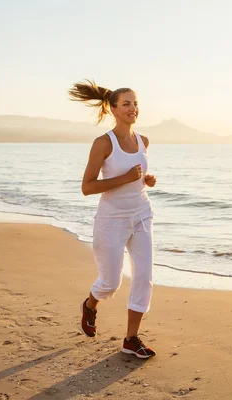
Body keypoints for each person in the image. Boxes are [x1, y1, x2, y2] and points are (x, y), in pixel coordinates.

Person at [69, 79, 157, 359]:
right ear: (113, 109)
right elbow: (87, 187)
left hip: (142, 215)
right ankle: (91, 305)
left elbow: (137, 178)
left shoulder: (143, 140)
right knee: (110, 283)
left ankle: (131, 339)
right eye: (127, 104)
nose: (133, 108)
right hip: (112, 220)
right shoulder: (103, 143)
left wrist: (147, 180)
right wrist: (124, 179)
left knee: (144, 277)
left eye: (136, 103)